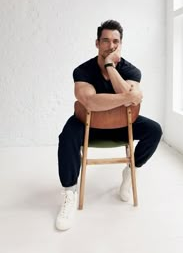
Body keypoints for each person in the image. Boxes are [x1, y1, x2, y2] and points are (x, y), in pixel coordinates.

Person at [56, 20, 162, 231]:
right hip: (88, 123)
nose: (111, 46)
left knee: (154, 130)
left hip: (122, 124)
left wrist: (110, 67)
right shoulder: (82, 70)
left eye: (116, 41)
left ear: (121, 44)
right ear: (97, 43)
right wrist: (126, 97)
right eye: (105, 41)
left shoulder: (131, 70)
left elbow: (132, 101)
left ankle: (131, 170)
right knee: (67, 137)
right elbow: (91, 102)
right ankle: (69, 192)